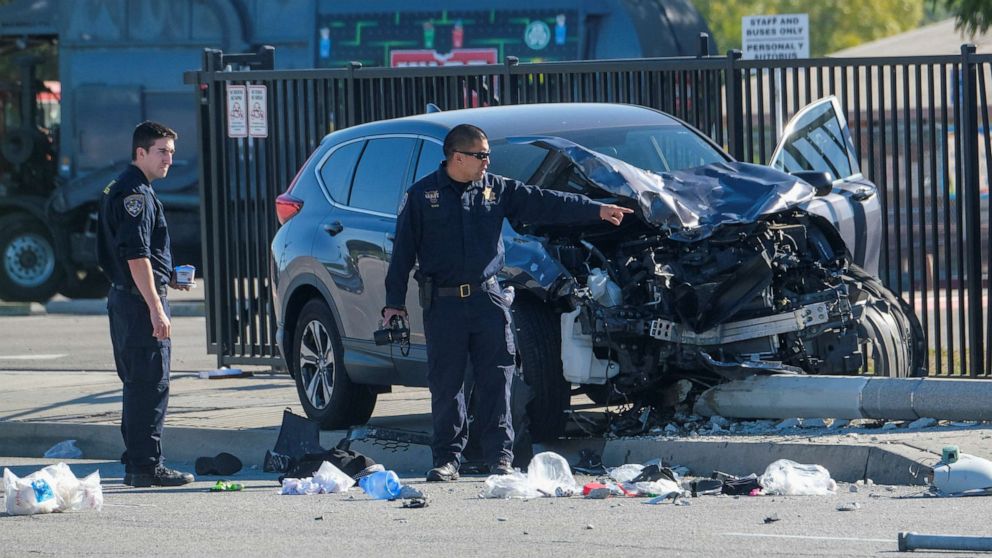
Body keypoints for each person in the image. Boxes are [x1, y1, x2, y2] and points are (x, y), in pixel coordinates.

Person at [383, 124, 632, 481]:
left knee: (498, 379)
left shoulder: (495, 189)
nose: (488, 161)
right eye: (481, 155)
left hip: (488, 298)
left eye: (487, 155)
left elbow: (546, 202)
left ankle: (499, 456)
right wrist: (394, 304)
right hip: (444, 303)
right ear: (458, 157)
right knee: (446, 383)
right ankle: (447, 458)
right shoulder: (422, 196)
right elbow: (402, 252)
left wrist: (596, 210)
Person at [97, 121, 194, 487]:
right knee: (150, 385)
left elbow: (136, 256)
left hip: (126, 298)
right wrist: (156, 306)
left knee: (137, 383)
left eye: (171, 151)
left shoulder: (120, 187)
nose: (169, 158)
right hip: (138, 304)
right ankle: (146, 467)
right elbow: (136, 256)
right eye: (161, 151)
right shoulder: (135, 194)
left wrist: (166, 276)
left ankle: (136, 461)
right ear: (141, 152)